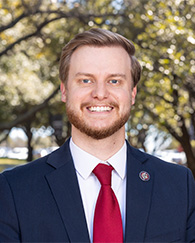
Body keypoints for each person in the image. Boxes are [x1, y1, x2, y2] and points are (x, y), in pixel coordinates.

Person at [0, 28, 195, 242]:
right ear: (64, 91)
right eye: (86, 80)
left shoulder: (180, 186)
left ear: (132, 93)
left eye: (114, 81)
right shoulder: (14, 190)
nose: (100, 93)